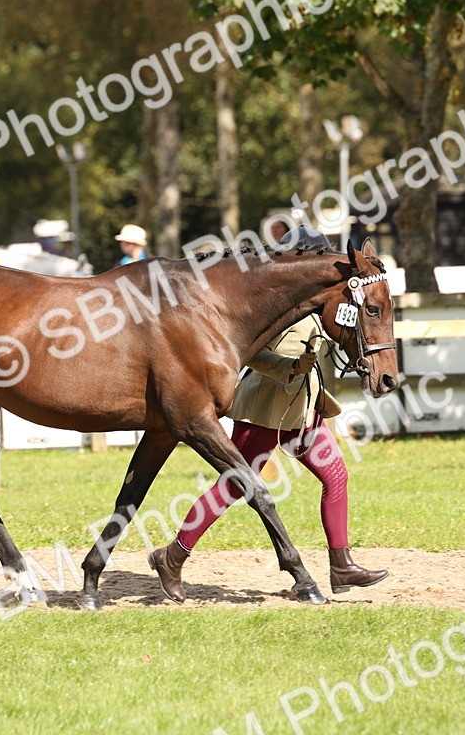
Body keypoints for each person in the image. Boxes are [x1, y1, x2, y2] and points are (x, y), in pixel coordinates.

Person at [148, 227, 388, 603]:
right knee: (233, 486)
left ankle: (341, 565)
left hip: (303, 409)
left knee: (336, 475)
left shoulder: (317, 299)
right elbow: (251, 354)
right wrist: (288, 367)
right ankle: (173, 555)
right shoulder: (270, 301)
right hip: (266, 409)